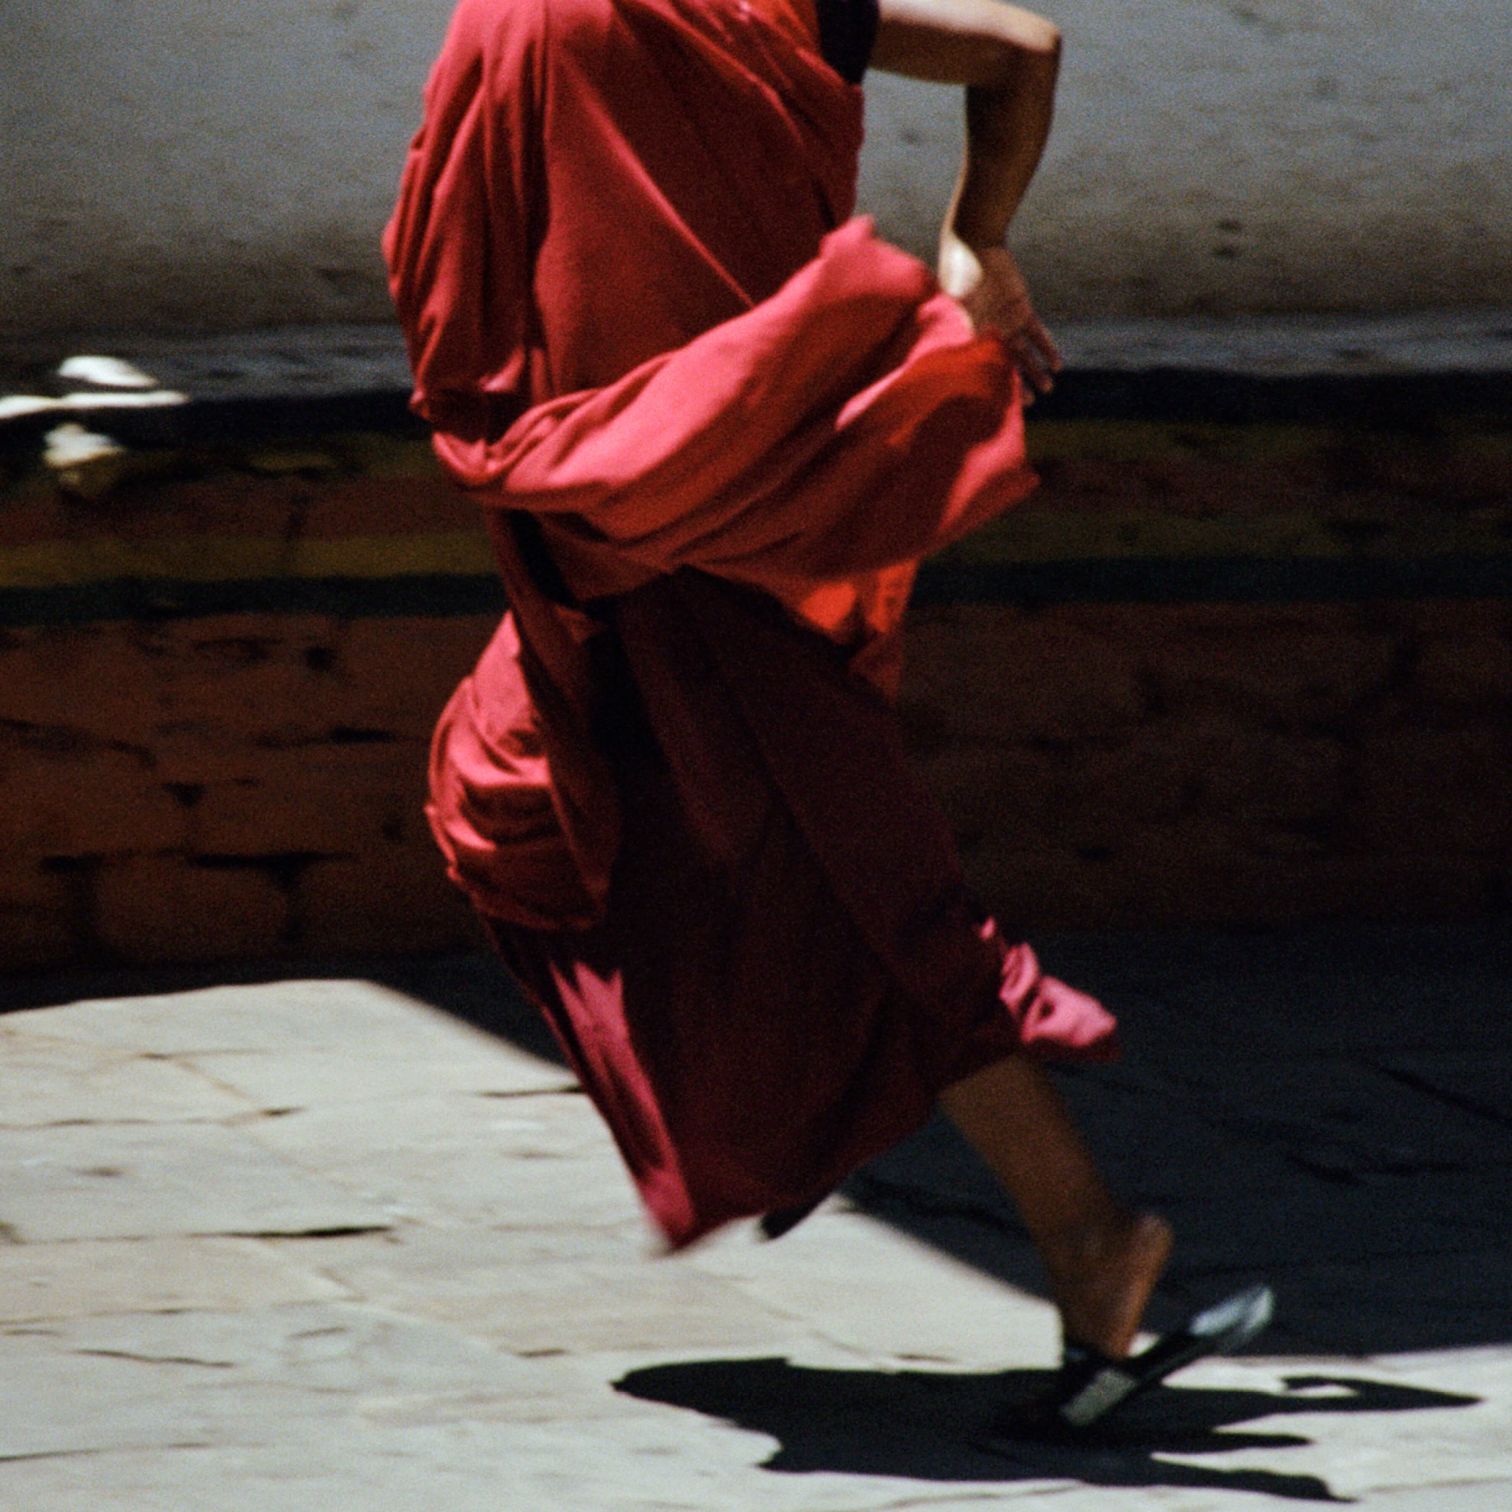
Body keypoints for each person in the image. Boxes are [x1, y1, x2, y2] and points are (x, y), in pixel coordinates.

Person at [386, 0, 1268, 1428]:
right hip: (764, 492)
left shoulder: (519, 19)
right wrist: (980, 235)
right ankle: (795, 1118)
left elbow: (441, 265)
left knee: (868, 902)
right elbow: (1021, 48)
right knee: (514, 804)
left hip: (647, 516)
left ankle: (1089, 1236)